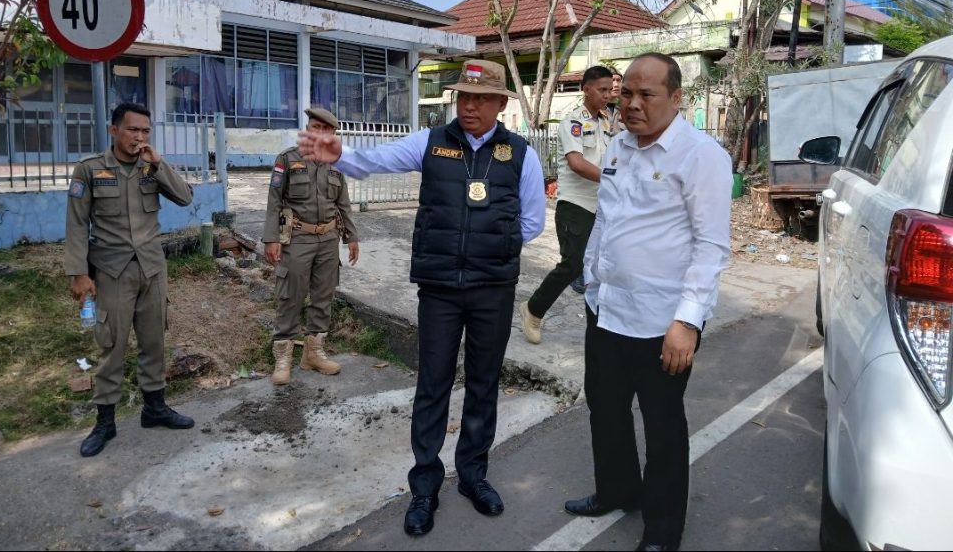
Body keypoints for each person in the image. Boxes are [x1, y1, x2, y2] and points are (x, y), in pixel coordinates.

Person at [296, 59, 546, 538]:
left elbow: (532, 221)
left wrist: (492, 246)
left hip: (492, 289)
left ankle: (473, 475)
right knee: (433, 384)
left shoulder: (520, 154)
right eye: (464, 97)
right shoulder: (431, 142)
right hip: (440, 290)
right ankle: (425, 487)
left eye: (481, 99)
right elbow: (377, 161)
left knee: (483, 384)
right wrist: (339, 155)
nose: (470, 106)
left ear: (500, 104)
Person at [565, 53, 732, 552]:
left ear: (676, 98)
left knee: (662, 427)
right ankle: (617, 491)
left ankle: (662, 531)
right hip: (607, 308)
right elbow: (606, 218)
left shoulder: (700, 156)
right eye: (627, 94)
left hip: (663, 322)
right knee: (605, 410)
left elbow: (710, 246)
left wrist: (688, 321)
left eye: (646, 95)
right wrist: (591, 280)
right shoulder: (618, 146)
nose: (633, 104)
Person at [65, 102, 196, 458]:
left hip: (152, 268)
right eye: (133, 129)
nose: (139, 137)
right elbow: (76, 224)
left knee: (154, 341)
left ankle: (154, 408)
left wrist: (159, 163)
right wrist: (78, 273)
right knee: (112, 346)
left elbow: (185, 197)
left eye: (145, 131)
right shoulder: (90, 169)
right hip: (112, 271)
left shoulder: (151, 166)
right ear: (114, 130)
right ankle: (105, 422)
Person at [262, 108, 359, 384]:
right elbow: (274, 201)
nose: (320, 133)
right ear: (308, 129)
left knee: (323, 296)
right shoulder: (287, 159)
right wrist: (271, 238)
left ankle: (313, 354)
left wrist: (351, 237)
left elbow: (343, 203)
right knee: (291, 295)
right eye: (316, 127)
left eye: (326, 130)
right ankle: (283, 357)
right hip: (297, 238)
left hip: (328, 239)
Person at [519, 65, 615, 344]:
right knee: (572, 265)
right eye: (602, 90)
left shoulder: (606, 123)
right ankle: (533, 310)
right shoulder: (572, 122)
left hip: (602, 206)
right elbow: (577, 163)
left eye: (610, 90)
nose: (607, 95)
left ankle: (604, 325)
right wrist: (614, 179)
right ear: (586, 90)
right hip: (575, 205)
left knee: (602, 266)